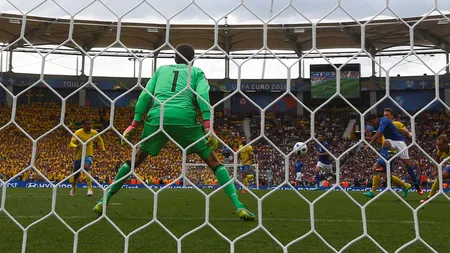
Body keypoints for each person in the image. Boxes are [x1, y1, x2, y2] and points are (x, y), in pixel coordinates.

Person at [92, 44, 255, 221]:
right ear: (192, 60)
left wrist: (134, 123)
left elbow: (145, 95)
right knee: (214, 161)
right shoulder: (196, 72)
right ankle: (238, 205)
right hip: (184, 118)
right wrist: (208, 125)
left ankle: (104, 199)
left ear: (174, 58)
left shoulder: (161, 70)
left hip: (158, 117)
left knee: (135, 160)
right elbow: (202, 95)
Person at [363, 114, 412, 198]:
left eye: (372, 122)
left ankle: (372, 192)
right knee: (386, 176)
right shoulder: (380, 125)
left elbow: (380, 133)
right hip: (385, 148)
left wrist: (370, 144)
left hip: (390, 149)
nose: (372, 124)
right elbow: (379, 135)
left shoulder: (388, 122)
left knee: (375, 167)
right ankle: (405, 185)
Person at [381, 108, 423, 195]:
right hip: (388, 147)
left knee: (407, 164)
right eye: (384, 115)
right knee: (382, 169)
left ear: (392, 116)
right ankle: (374, 190)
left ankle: (416, 185)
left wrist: (409, 134)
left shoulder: (396, 124)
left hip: (398, 145)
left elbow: (405, 130)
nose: (385, 117)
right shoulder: (382, 125)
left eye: (387, 115)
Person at [68, 120, 105, 196]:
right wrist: (76, 146)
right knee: (76, 175)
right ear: (83, 125)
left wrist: (103, 149)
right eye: (88, 125)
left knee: (86, 167)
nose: (90, 126)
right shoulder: (78, 133)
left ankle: (90, 188)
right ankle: (74, 187)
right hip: (78, 156)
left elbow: (100, 139)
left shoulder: (94, 132)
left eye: (90, 124)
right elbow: (71, 144)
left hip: (88, 155)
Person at [420, 135, 450, 204]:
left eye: (440, 145)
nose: (438, 147)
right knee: (441, 176)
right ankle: (429, 197)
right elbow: (437, 159)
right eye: (437, 145)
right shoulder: (440, 151)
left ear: (446, 144)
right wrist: (436, 169)